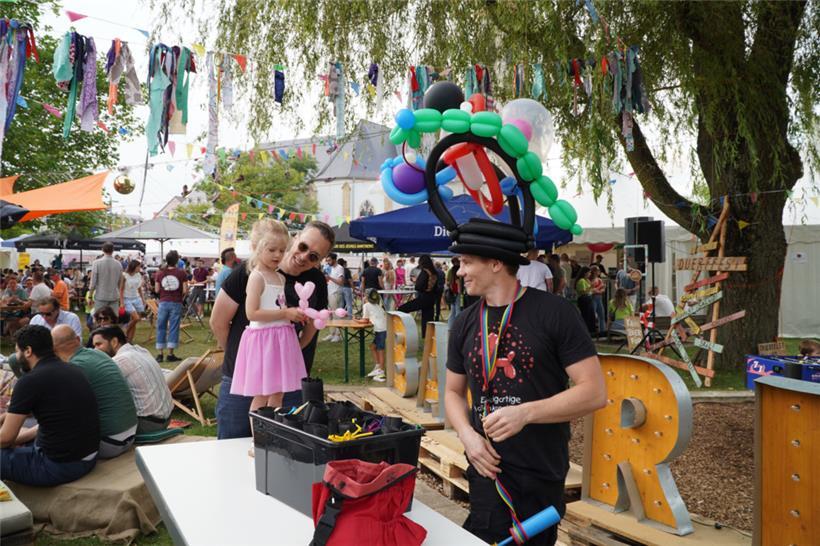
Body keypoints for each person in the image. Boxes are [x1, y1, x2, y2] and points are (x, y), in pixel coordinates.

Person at [445, 249, 605, 546]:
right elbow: (452, 392)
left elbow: (594, 392)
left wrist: (525, 413)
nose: (459, 271)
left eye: (467, 262)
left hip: (540, 471)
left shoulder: (555, 312)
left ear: (495, 263)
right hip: (486, 470)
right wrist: (467, 435)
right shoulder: (465, 321)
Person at [210, 220, 334, 440]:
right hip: (245, 378)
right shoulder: (249, 273)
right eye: (304, 247)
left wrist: (292, 351)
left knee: (282, 448)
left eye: (314, 256)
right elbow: (218, 322)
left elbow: (314, 325)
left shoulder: (316, 280)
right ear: (295, 239)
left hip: (289, 379)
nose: (304, 256)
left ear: (321, 261)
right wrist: (244, 357)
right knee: (232, 444)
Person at [0, 326, 99, 486]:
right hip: (89, 456)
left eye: (17, 351)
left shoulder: (29, 381)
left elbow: (5, 438)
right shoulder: (73, 369)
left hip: (59, 466)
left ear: (28, 351)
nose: (16, 357)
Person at [230, 221, 308, 418]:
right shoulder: (256, 277)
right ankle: (258, 437)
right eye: (272, 249)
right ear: (256, 248)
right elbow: (252, 313)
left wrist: (293, 313)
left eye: (282, 250)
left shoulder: (280, 278)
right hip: (263, 341)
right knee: (261, 394)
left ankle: (272, 435)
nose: (278, 255)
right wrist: (285, 313)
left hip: (280, 338)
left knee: (278, 392)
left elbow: (277, 306)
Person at [52, 325, 138, 459]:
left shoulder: (75, 367)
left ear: (53, 348)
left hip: (109, 443)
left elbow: (60, 413)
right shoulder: (97, 354)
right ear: (78, 339)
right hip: (130, 435)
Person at [91, 326, 174, 434]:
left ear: (114, 342)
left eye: (98, 344)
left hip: (148, 424)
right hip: (166, 419)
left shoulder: (119, 361)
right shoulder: (141, 350)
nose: (94, 350)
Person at [153, 250, 188, 363]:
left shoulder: (160, 273)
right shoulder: (181, 273)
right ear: (177, 260)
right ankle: (170, 354)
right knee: (173, 327)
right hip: (176, 302)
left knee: (161, 326)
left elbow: (157, 289)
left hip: (163, 302)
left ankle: (160, 354)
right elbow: (185, 290)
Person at [397, 254, 437, 339]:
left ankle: (402, 330)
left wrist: (416, 281)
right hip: (431, 298)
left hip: (423, 298)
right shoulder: (434, 272)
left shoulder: (424, 272)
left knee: (402, 309)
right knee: (428, 319)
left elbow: (418, 286)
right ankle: (427, 337)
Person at [357, 290, 387, 382]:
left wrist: (356, 320)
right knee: (373, 346)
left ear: (366, 297)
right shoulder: (378, 306)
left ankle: (381, 372)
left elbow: (365, 320)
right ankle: (378, 366)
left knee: (380, 349)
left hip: (380, 329)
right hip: (384, 328)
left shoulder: (366, 305)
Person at [90, 242, 124, 313]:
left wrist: (90, 296)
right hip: (114, 296)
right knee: (113, 319)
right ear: (113, 250)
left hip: (101, 296)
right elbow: (120, 283)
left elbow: (93, 282)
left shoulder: (96, 263)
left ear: (102, 250)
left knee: (100, 318)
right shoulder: (118, 264)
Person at [120, 260, 145, 343]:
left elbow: (139, 288)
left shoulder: (138, 275)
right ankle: (125, 331)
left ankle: (129, 340)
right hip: (127, 298)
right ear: (134, 266)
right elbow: (121, 290)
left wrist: (142, 299)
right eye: (139, 266)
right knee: (136, 318)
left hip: (137, 297)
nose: (140, 268)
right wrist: (122, 302)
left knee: (136, 320)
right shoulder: (124, 275)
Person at [322, 253, 344, 343]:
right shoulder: (329, 268)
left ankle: (338, 335)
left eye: (329, 260)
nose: (328, 262)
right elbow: (328, 280)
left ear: (335, 259)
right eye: (327, 260)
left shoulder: (340, 268)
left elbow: (341, 282)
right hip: (329, 292)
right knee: (329, 314)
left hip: (335, 293)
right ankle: (332, 333)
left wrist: (330, 277)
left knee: (336, 314)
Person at [575, 267, 596, 334]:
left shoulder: (586, 280)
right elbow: (582, 291)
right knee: (586, 315)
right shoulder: (581, 281)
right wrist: (590, 287)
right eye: (589, 272)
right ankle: (586, 331)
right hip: (584, 299)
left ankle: (591, 331)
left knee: (591, 315)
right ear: (585, 273)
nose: (590, 274)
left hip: (589, 298)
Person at [445, 257, 463, 328]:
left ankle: (450, 326)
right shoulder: (459, 270)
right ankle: (458, 326)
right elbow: (459, 282)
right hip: (457, 292)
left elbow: (447, 282)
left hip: (452, 292)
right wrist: (460, 291)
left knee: (453, 310)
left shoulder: (450, 270)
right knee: (458, 310)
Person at [590, 266, 607, 337]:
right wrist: (599, 288)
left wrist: (598, 290)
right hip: (593, 298)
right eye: (598, 271)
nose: (599, 272)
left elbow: (603, 290)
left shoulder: (599, 280)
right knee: (592, 315)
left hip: (599, 298)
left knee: (601, 315)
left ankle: (602, 331)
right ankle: (593, 331)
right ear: (594, 271)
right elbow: (591, 290)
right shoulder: (590, 280)